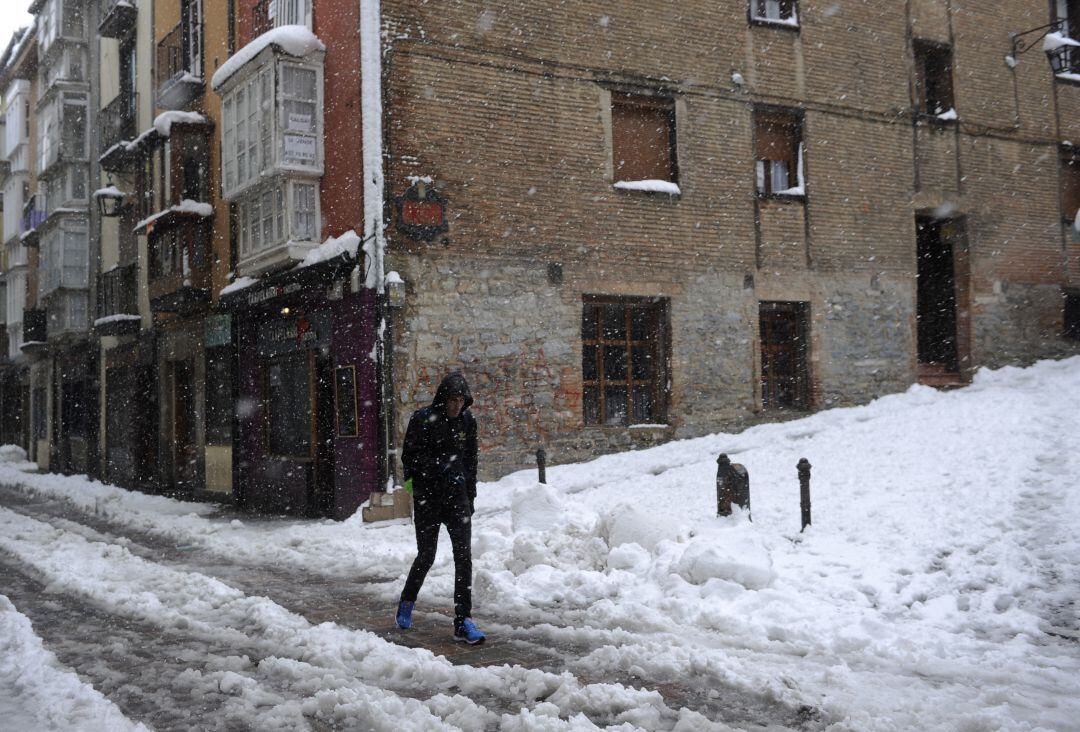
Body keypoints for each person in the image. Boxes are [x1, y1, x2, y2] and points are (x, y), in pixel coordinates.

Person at [395, 372, 485, 644]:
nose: (457, 406)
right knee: (427, 555)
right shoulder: (422, 419)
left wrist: (470, 497)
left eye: (461, 400)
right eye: (452, 400)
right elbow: (409, 458)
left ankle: (463, 621)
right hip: (429, 499)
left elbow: (471, 461)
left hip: (457, 499)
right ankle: (407, 601)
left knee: (464, 558)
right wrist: (433, 474)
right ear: (442, 399)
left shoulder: (468, 422)